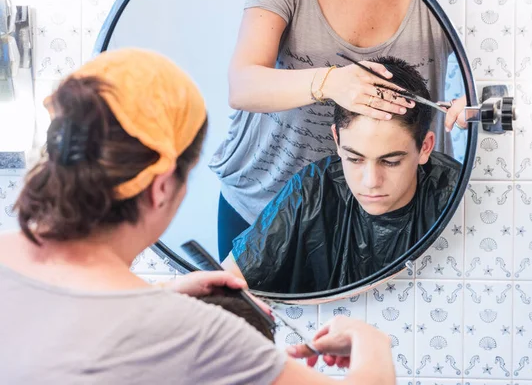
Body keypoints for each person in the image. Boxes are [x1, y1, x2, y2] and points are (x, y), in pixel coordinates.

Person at [0, 48, 396, 384]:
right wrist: (371, 342)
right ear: (160, 188)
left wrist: (160, 298)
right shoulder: (195, 335)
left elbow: (68, 317)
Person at [210, 0, 467, 261]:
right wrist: (330, 82)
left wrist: (479, 97)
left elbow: (510, 56)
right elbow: (241, 86)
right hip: (265, 202)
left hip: (397, 219)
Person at [223, 57, 461, 293]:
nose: (370, 182)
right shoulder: (311, 191)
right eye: (354, 159)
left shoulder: (455, 196)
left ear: (426, 147)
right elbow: (227, 281)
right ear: (337, 140)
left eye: (391, 162)